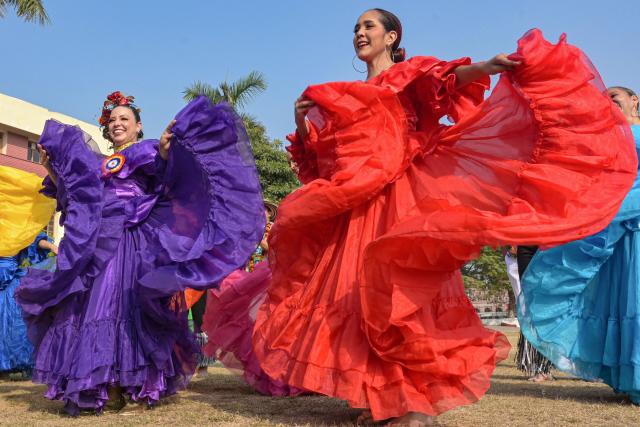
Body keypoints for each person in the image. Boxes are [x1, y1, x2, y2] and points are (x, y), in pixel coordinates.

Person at [252, 8, 636, 426]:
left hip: (402, 198)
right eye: (356, 28)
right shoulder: (345, 95)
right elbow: (327, 159)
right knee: (360, 298)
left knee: (402, 296)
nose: (360, 34)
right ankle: (382, 396)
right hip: (359, 205)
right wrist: (301, 123)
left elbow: (444, 79)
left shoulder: (408, 75)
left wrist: (488, 66)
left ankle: (417, 406)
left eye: (369, 27)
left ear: (392, 37)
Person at [16, 91, 265, 415]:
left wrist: (165, 154)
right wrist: (52, 171)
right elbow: (73, 201)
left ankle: (135, 387)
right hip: (97, 245)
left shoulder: (147, 152)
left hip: (133, 243)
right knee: (93, 310)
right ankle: (108, 387)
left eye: (125, 119)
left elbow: (171, 184)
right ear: (106, 128)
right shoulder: (95, 166)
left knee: (128, 308)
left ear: (138, 126)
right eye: (113, 120)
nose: (118, 124)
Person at [518, 86, 640, 403]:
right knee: (622, 301)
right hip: (612, 233)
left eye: (614, 97)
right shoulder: (607, 141)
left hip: (633, 222)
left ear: (634, 101)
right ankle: (628, 379)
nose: (608, 102)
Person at [201, 201, 303, 396]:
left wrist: (258, 236)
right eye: (260, 211)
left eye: (266, 211)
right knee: (259, 325)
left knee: (277, 327)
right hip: (254, 278)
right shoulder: (248, 230)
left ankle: (285, 374)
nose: (263, 214)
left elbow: (271, 247)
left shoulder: (272, 229)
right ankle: (271, 372)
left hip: (270, 279)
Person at [515, 245, 554, 381]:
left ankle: (545, 365)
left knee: (546, 303)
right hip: (526, 244)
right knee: (530, 301)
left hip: (550, 242)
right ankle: (539, 366)